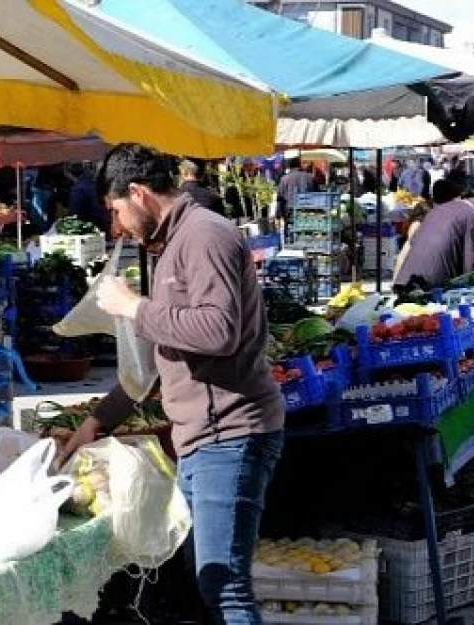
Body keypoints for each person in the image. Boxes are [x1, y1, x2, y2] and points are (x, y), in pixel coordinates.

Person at [59, 144, 284, 625]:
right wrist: (96, 423)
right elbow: (154, 363)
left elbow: (218, 331)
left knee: (225, 587)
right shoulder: (171, 244)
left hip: (231, 432)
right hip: (202, 438)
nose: (116, 226)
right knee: (202, 578)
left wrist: (134, 307)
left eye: (116, 210)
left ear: (138, 194)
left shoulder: (204, 236)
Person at [393, 179, 474, 290]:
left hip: (409, 281)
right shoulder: (426, 215)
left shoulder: (434, 213)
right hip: (425, 284)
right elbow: (470, 262)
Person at [66, 163, 110, 233]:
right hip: (103, 231)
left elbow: (75, 218)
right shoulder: (100, 184)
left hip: (91, 235)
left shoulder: (79, 189)